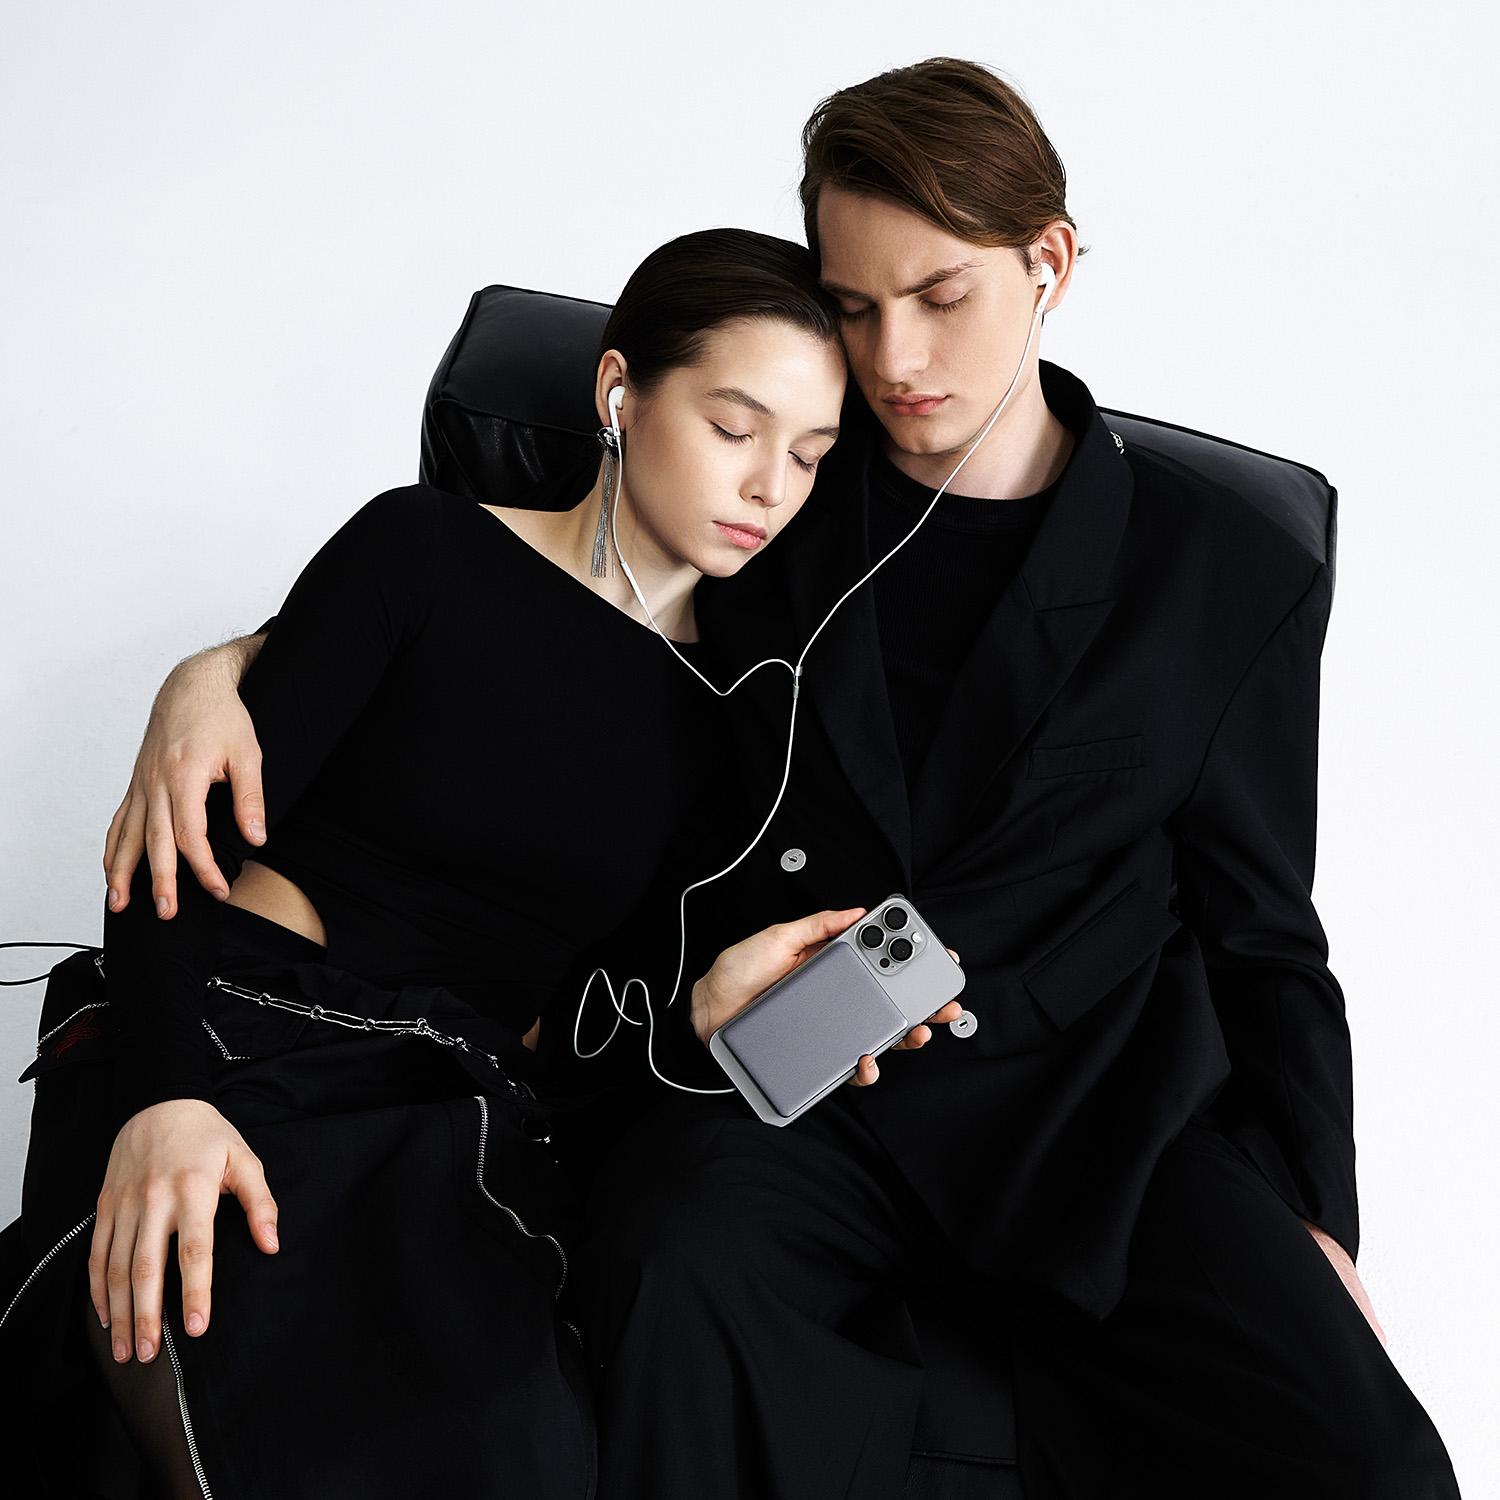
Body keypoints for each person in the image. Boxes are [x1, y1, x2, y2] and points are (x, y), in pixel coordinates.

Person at [94, 58, 1461, 1500]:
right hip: (793, 1099)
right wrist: (221, 668)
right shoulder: (780, 491)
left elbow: (1265, 931)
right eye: (855, 306)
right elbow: (520, 611)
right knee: (668, 1270)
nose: (896, 361)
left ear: (1050, 264)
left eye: (942, 296)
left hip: (1098, 1117)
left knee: (1367, 1457)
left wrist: (1320, 1217)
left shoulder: (1223, 566)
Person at [0, 227, 957, 1500]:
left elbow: (578, 1056)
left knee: (520, 1438)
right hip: (243, 1040)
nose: (769, 485)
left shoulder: (732, 729)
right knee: (239, 1345)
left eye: (809, 454)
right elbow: (175, 847)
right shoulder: (424, 551)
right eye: (736, 426)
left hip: (448, 1119)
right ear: (620, 393)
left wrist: (706, 1014)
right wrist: (164, 1098)